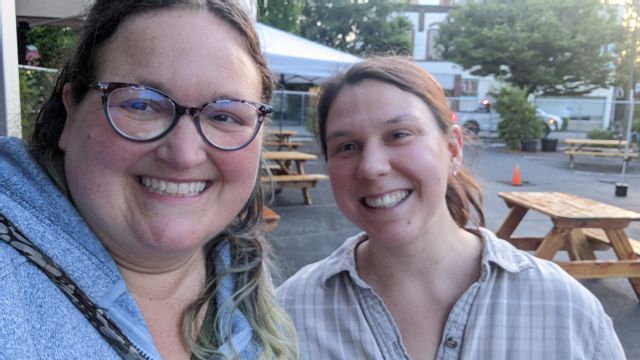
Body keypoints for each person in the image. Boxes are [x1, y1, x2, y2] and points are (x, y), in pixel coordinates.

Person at [0, 1, 297, 359]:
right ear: (70, 114)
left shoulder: (245, 276)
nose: (184, 155)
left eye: (224, 115)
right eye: (140, 104)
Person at [277, 57, 625, 359]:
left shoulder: (565, 312)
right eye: (347, 146)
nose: (371, 167)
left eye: (399, 135)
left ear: (453, 149)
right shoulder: (288, 315)